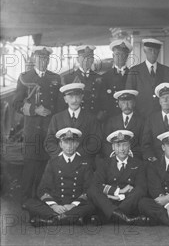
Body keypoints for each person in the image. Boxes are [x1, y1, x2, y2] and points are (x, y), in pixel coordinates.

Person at [12, 46, 62, 202]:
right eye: (40, 58)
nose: (43, 61)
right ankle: (27, 201)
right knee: (30, 165)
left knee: (47, 164)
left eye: (46, 59)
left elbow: (60, 105)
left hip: (50, 129)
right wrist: (35, 109)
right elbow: (16, 103)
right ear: (34, 59)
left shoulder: (55, 78)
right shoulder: (25, 78)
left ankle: (43, 199)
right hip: (32, 129)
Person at [24, 128, 95, 226]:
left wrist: (73, 205)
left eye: (72, 142)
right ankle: (70, 218)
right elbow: (42, 189)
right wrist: (54, 205)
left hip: (75, 204)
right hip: (57, 202)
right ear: (60, 144)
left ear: (77, 144)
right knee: (29, 203)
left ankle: (51, 220)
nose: (69, 146)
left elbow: (89, 189)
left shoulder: (85, 163)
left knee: (92, 206)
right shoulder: (52, 162)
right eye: (66, 142)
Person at [88, 130, 147, 225]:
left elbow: (141, 187)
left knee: (140, 191)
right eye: (118, 145)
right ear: (113, 147)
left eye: (125, 145)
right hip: (108, 200)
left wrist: (121, 196)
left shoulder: (138, 164)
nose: (122, 149)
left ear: (129, 146)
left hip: (127, 202)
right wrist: (119, 191)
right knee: (92, 190)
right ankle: (123, 218)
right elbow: (96, 185)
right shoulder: (104, 163)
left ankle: (111, 215)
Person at [45, 83, 102, 166]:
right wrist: (63, 154)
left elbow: (96, 142)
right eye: (71, 97)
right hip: (61, 163)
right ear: (65, 99)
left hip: (84, 163)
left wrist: (77, 154)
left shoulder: (91, 118)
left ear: (82, 98)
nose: (74, 100)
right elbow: (49, 142)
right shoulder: (57, 118)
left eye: (77, 96)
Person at [125, 38, 169, 117]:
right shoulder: (135, 71)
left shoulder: (166, 70)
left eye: (156, 50)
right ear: (145, 51)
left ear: (159, 52)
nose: (153, 53)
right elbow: (130, 95)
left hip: (160, 115)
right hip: (140, 114)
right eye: (150, 50)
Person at [62, 45, 106, 121]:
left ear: (92, 60)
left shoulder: (99, 78)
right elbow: (63, 102)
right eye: (83, 58)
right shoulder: (68, 78)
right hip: (75, 118)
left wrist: (99, 116)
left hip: (94, 119)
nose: (86, 61)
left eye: (89, 58)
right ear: (77, 59)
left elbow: (104, 101)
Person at [102, 90, 143, 159]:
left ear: (134, 103)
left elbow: (143, 144)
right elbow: (106, 143)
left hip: (135, 158)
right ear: (119, 104)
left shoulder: (142, 121)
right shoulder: (111, 121)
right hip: (115, 159)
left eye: (129, 102)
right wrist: (114, 156)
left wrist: (131, 156)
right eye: (123, 102)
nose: (126, 105)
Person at [101, 40, 132, 119]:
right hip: (111, 116)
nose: (120, 57)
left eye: (123, 54)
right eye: (117, 54)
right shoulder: (105, 77)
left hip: (129, 114)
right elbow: (103, 100)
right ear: (113, 56)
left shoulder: (133, 75)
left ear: (127, 56)